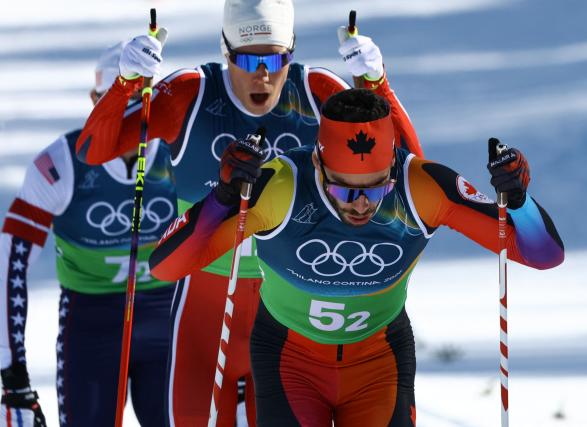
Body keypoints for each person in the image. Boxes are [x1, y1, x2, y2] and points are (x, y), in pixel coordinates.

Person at [76, 1, 423, 425]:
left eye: (275, 58)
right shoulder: (191, 92)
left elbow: (406, 163)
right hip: (202, 308)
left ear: (291, 51)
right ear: (225, 51)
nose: (262, 73)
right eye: (247, 58)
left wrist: (376, 84)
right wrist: (127, 84)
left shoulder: (314, 92)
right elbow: (94, 150)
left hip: (290, 314)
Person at [150, 88, 565, 426]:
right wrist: (223, 199)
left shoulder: (421, 185)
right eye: (345, 190)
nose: (362, 205)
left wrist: (519, 200)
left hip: (379, 362)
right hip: (289, 361)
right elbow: (166, 266)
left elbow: (542, 254)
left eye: (376, 189)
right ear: (318, 162)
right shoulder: (281, 186)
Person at [0, 43, 177, 427]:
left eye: (141, 99)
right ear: (95, 101)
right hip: (90, 323)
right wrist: (12, 373)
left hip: (171, 319)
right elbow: (9, 263)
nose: (128, 116)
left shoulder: (182, 154)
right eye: (116, 100)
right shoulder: (61, 164)